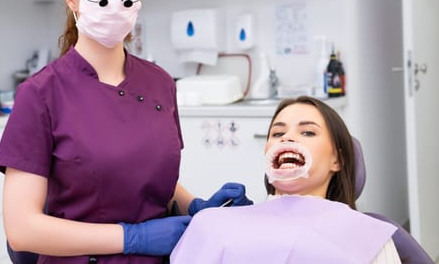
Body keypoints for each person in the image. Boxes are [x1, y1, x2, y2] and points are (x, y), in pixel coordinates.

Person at [0, 0, 252, 264]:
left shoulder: (159, 82)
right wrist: (134, 237)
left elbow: (146, 174)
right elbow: (23, 230)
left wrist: (197, 208)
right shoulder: (40, 95)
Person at [170, 96, 402, 263]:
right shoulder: (211, 224)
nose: (288, 138)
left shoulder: (366, 236)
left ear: (337, 161)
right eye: (278, 133)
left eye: (308, 132)